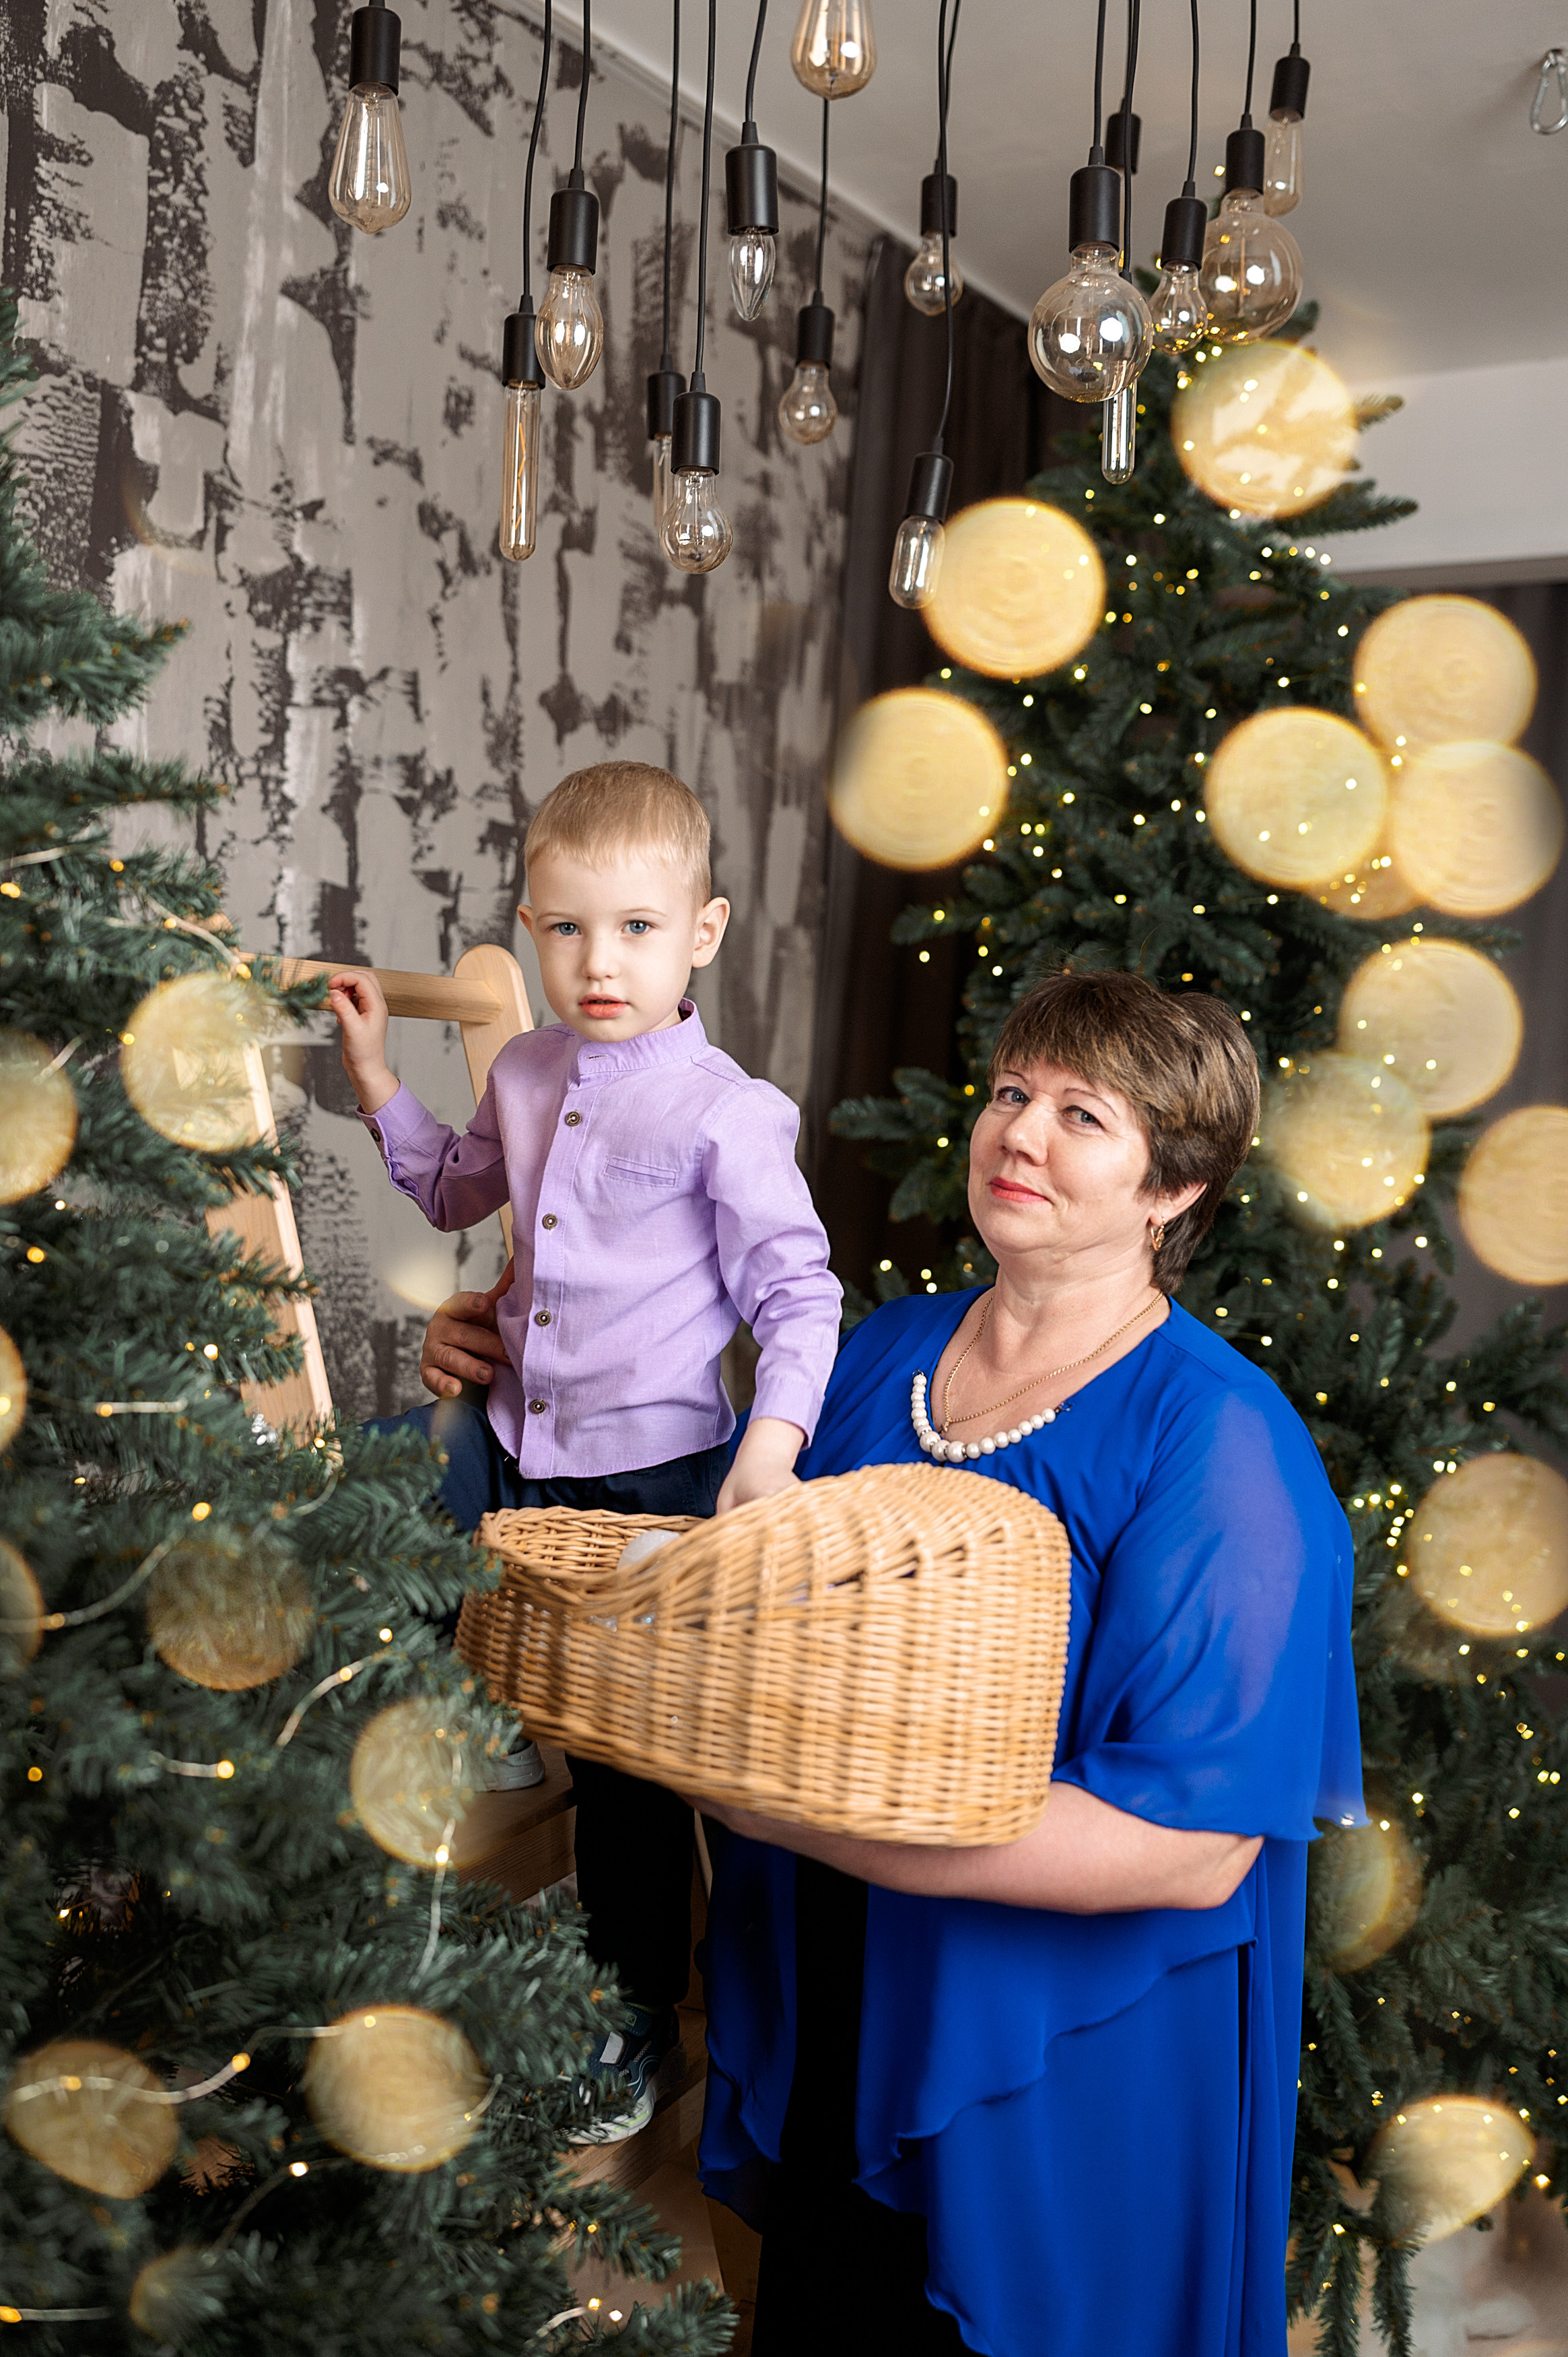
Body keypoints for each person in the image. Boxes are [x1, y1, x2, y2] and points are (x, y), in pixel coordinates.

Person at [680, 970, 1359, 2356]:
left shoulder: (1221, 1443)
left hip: (1057, 2048)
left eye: (1081, 1114)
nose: (1019, 1134)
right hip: (838, 1986)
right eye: (1008, 1093)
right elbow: (720, 1583)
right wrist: (505, 1375)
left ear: (1174, 1187)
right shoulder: (880, 1353)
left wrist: (820, 1820)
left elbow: (1191, 1846)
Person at [333, 761, 842, 2140]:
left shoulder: (727, 1112)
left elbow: (797, 1292)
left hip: (655, 1473)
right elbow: (454, 1186)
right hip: (512, 1433)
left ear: (703, 932)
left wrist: (771, 1445)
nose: (595, 960)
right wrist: (381, 1081)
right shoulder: (527, 1068)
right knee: (367, 1494)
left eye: (632, 927)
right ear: (532, 921)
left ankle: (631, 2032)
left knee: (628, 1785)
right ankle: (445, 1734)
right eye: (563, 929)